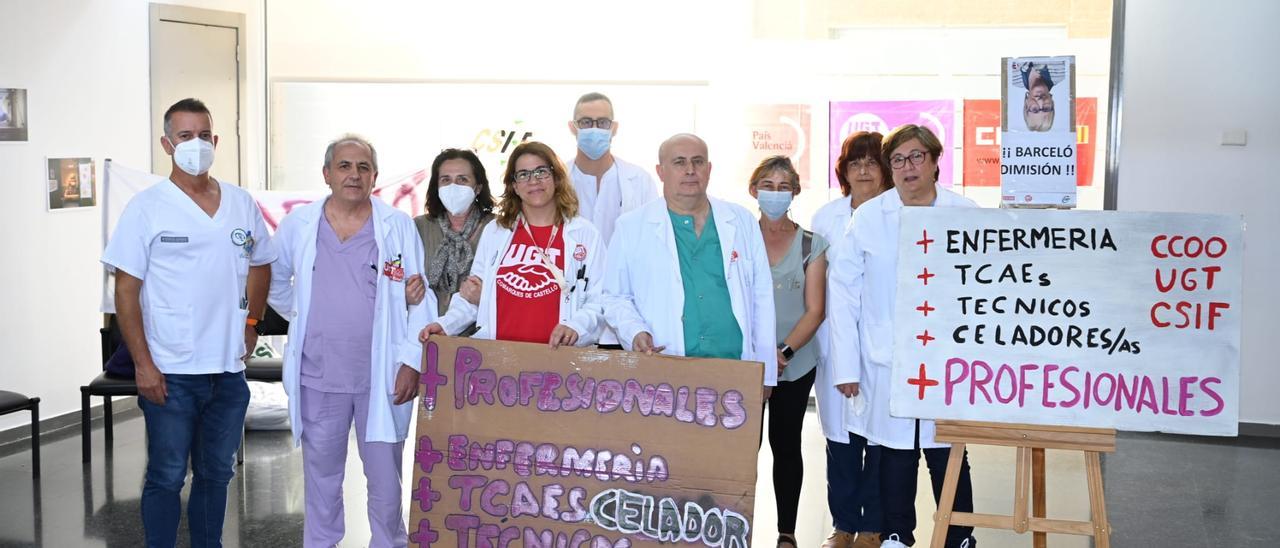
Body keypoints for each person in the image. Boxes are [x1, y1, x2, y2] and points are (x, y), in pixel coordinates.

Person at [102, 97, 275, 548]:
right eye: (184, 136)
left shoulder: (240, 203)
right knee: (166, 474)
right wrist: (143, 364)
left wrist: (252, 320)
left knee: (216, 474)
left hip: (227, 371)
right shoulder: (147, 208)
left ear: (215, 141)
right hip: (171, 371)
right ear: (166, 143)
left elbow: (262, 264)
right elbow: (126, 291)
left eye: (203, 135)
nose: (195, 144)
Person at [268, 134, 432, 547]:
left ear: (375, 176)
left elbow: (420, 295)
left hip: (381, 376)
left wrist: (412, 360)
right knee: (321, 479)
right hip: (318, 374)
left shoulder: (395, 226)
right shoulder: (299, 225)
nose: (353, 175)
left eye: (363, 167)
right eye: (344, 166)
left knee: (385, 483)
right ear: (327, 174)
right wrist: (306, 316)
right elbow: (274, 282)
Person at [828, 125, 978, 548]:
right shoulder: (869, 217)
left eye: (916, 158)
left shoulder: (967, 214)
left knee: (946, 450)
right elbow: (843, 295)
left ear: (934, 162)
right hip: (885, 357)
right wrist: (846, 364)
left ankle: (959, 535)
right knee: (894, 450)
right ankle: (897, 533)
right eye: (897, 160)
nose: (907, 167)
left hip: (948, 357)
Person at [603, 133, 777, 387]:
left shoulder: (741, 220)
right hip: (665, 367)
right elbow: (614, 296)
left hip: (735, 368)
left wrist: (766, 373)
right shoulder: (631, 226)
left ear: (709, 169)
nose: (690, 170)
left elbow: (762, 297)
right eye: (679, 162)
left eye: (697, 162)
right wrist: (634, 331)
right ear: (660, 171)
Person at [421, 141, 606, 348]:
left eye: (541, 171)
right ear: (514, 186)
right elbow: (471, 296)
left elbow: (599, 299)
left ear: (556, 178)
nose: (533, 181)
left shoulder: (584, 234)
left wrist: (576, 327)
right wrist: (445, 324)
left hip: (559, 363)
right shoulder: (496, 232)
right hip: (500, 364)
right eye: (523, 174)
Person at [813, 131, 895, 548]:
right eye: (854, 162)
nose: (863, 169)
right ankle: (843, 525)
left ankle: (874, 527)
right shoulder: (826, 217)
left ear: (886, 169)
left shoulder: (898, 214)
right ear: (844, 171)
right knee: (840, 443)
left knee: (880, 441)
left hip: (883, 346)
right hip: (835, 342)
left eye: (872, 161)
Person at [749, 156, 828, 548]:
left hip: (793, 364)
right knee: (742, 447)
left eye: (783, 186)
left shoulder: (811, 244)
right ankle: (732, 522)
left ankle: (786, 531)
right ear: (753, 190)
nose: (774, 193)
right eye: (767, 184)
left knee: (785, 445)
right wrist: (756, 355)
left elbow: (815, 310)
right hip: (743, 364)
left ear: (795, 192)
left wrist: (781, 353)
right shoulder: (737, 237)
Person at [566, 91, 659, 245]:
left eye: (602, 122)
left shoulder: (640, 180)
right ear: (573, 127)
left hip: (625, 269)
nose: (594, 129)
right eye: (586, 122)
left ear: (614, 128)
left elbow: (652, 237)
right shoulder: (556, 180)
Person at [413, 148, 496, 320]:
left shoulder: (497, 228)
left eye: (462, 180)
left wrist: (487, 297)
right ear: (436, 186)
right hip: (428, 335)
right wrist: (404, 293)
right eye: (445, 180)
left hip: (482, 336)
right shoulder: (419, 227)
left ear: (478, 187)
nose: (453, 187)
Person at [1021, 62, 1055, 132]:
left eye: (1034, 109)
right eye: (1046, 108)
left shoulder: (1012, 78)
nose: (1040, 101)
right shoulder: (1062, 71)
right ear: (1052, 103)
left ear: (1026, 105)